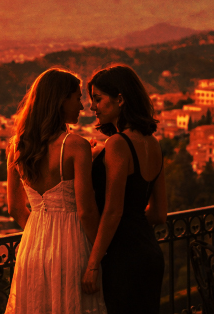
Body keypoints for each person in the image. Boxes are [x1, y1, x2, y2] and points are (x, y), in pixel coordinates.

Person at [5, 68, 108, 314]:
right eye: (77, 98)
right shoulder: (76, 146)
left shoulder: (17, 148)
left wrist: (42, 234)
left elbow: (15, 209)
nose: (82, 106)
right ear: (60, 101)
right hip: (72, 248)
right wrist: (99, 254)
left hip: (32, 248)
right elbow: (86, 210)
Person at [81, 65, 167, 314]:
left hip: (124, 257)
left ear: (119, 99)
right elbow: (160, 214)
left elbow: (113, 211)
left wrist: (93, 264)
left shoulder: (118, 143)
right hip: (150, 253)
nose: (92, 107)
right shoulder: (153, 143)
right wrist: (135, 222)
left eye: (98, 99)